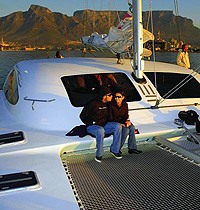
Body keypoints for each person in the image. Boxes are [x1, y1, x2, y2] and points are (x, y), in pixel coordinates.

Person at [80, 86, 122, 162]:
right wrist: (91, 122)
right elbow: (82, 116)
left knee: (117, 126)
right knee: (100, 130)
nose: (112, 97)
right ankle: (99, 154)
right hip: (92, 127)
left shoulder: (108, 104)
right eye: (110, 95)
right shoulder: (93, 103)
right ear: (104, 96)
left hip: (103, 126)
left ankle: (115, 150)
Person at [109, 89, 142, 154]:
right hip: (115, 123)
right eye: (115, 97)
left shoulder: (125, 105)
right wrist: (121, 124)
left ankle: (132, 148)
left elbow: (126, 115)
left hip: (123, 121)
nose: (117, 98)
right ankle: (117, 148)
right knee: (126, 130)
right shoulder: (111, 105)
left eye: (119, 97)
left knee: (132, 127)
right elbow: (110, 118)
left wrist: (128, 121)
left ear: (123, 97)